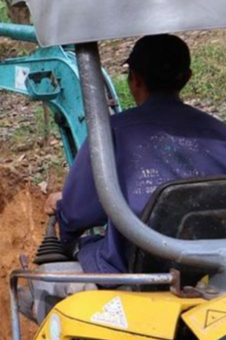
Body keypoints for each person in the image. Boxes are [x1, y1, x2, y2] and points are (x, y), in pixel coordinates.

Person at [45, 34, 226, 274]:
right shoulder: (219, 132)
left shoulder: (110, 134)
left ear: (136, 80)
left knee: (55, 275)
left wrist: (62, 210)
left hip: (134, 267)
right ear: (187, 78)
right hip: (211, 265)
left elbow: (77, 214)